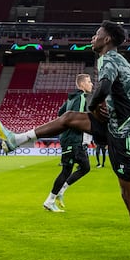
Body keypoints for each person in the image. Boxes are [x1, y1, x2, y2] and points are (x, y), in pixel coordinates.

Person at [0, 20, 130, 260]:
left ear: (106, 39)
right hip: (117, 127)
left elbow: (106, 86)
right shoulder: (126, 64)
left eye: (97, 34)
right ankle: (17, 139)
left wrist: (94, 103)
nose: (92, 38)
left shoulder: (107, 59)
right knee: (69, 119)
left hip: (126, 133)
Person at [42, 73, 94, 212]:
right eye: (89, 81)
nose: (91, 84)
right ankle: (51, 199)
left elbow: (60, 113)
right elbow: (77, 119)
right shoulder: (82, 98)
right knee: (68, 171)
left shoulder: (71, 98)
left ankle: (59, 193)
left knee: (84, 167)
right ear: (82, 84)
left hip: (69, 138)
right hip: (73, 140)